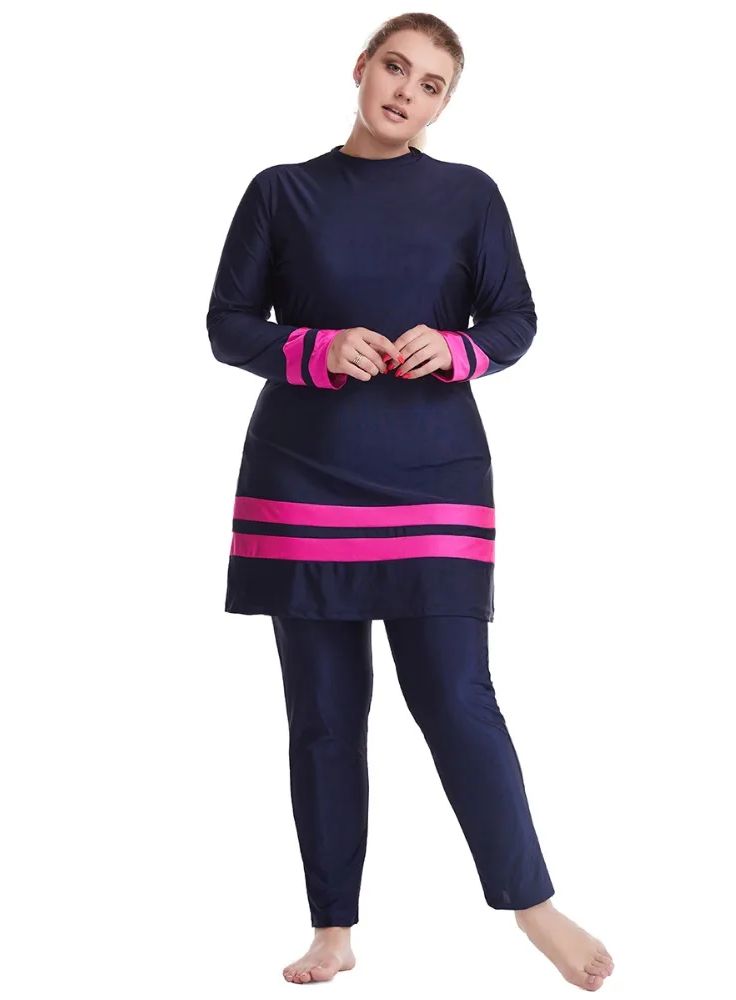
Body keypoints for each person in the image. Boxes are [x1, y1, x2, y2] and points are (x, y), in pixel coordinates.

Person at [205, 12, 615, 991]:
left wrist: (460, 347)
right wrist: (311, 347)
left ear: (443, 104)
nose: (406, 91)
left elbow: (514, 317)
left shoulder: (470, 196)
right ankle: (333, 929)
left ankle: (532, 904)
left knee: (457, 698)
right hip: (303, 481)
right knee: (323, 716)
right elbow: (227, 324)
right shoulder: (281, 191)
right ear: (360, 67)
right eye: (395, 67)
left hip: (435, 481)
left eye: (431, 84)